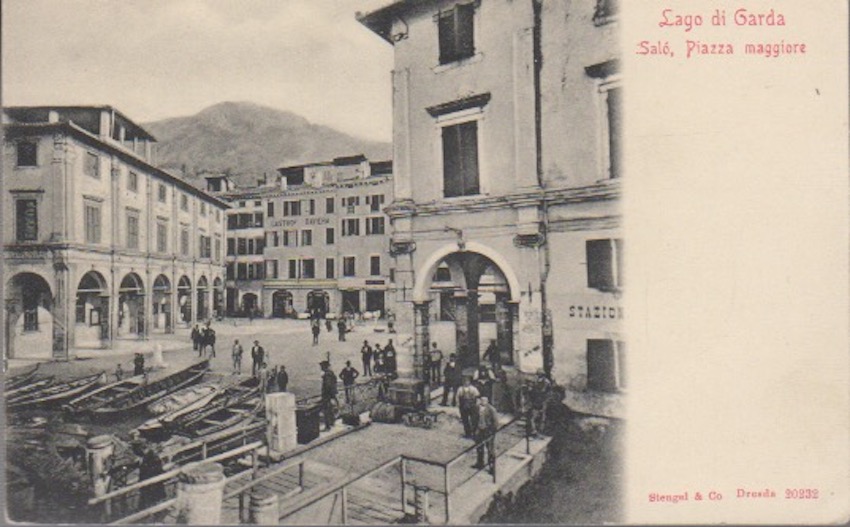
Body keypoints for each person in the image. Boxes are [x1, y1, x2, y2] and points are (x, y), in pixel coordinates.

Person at [474, 396, 499, 474]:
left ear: (487, 401)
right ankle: (480, 463)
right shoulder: (477, 408)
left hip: (488, 431)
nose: (482, 401)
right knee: (479, 447)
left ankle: (492, 467)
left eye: (484, 400)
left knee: (490, 449)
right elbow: (474, 418)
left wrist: (492, 431)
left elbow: (495, 422)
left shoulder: (491, 410)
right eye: (481, 400)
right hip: (479, 430)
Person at [529, 369, 552, 436]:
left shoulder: (546, 383)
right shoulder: (536, 382)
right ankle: (535, 431)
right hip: (538, 402)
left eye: (539, 375)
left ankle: (539, 431)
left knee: (541, 417)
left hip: (542, 402)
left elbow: (548, 392)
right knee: (535, 418)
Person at [320, 361, 338, 431]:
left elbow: (328, 386)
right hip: (330, 395)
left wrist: (327, 395)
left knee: (326, 410)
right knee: (330, 409)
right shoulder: (331, 373)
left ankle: (327, 426)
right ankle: (332, 422)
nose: (321, 368)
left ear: (324, 367)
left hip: (327, 396)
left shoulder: (327, 375)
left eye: (321, 367)